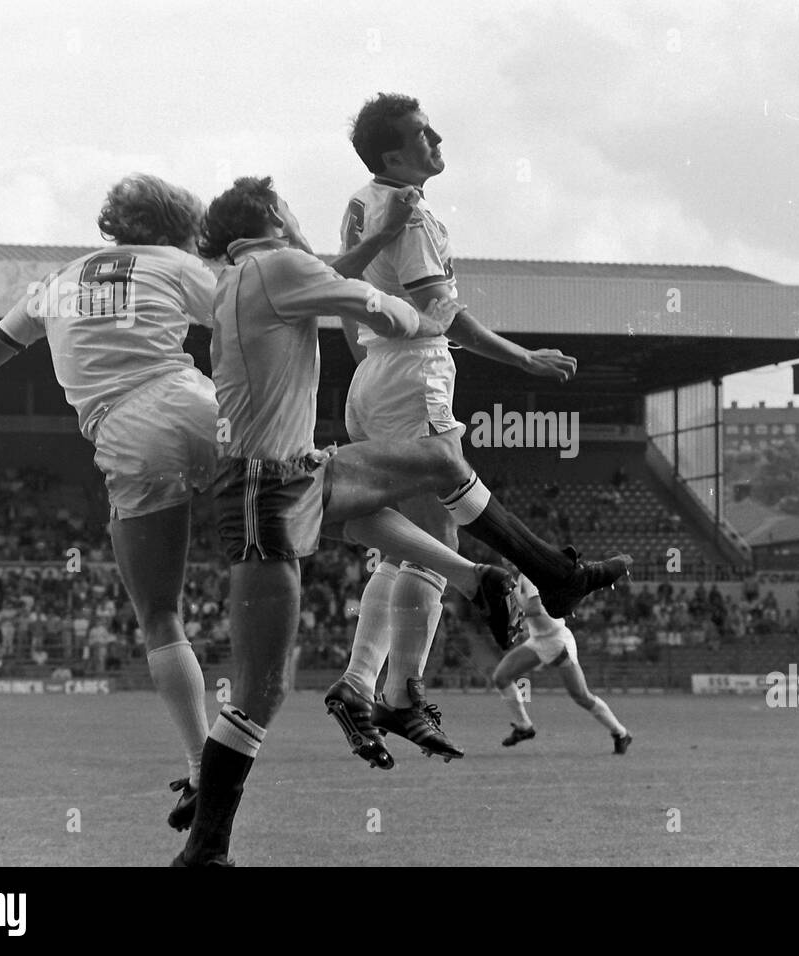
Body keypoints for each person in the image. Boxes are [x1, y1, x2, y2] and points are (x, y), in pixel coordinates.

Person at [0, 172, 422, 834]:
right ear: (181, 225)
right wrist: (368, 248)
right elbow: (285, 297)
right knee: (315, 497)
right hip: (198, 407)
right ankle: (443, 562)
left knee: (160, 616)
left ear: (113, 224)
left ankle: (202, 766)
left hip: (127, 434)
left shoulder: (53, 285)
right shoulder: (178, 265)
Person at [173, 178, 629, 866]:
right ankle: (204, 843)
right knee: (261, 689)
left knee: (397, 501)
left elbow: (340, 275)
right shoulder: (280, 265)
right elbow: (378, 307)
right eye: (289, 207)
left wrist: (380, 242)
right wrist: (429, 321)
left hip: (284, 476)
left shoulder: (240, 276)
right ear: (271, 215)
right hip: (273, 488)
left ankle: (487, 581)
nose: (299, 216)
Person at [335, 92, 584, 759]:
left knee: (407, 544)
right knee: (438, 536)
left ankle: (364, 685)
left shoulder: (363, 201)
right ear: (394, 153)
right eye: (423, 133)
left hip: (377, 376)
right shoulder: (409, 216)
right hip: (413, 375)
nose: (437, 138)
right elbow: (441, 314)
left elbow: (359, 303)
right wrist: (522, 357)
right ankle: (398, 694)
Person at [492, 571, 632, 755]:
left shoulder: (529, 577)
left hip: (557, 642)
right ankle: (524, 726)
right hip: (538, 640)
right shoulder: (517, 579)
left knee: (581, 695)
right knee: (501, 677)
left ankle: (620, 733)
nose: (507, 560)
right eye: (504, 557)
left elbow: (536, 608)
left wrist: (510, 615)